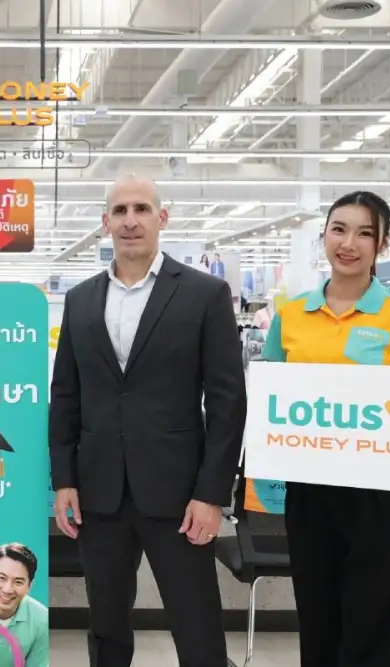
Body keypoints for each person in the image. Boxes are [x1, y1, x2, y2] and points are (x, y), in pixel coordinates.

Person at [49, 176, 246, 667]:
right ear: (105, 223)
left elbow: (228, 401)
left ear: (162, 218)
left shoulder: (204, 294)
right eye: (119, 211)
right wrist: (64, 480)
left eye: (141, 209)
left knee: (197, 626)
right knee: (106, 625)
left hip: (179, 494)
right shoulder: (81, 299)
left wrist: (212, 494)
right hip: (99, 493)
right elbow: (66, 396)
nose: (130, 220)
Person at [260, 191, 390, 667]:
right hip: (311, 491)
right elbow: (271, 396)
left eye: (365, 233)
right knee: (319, 617)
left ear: (382, 245)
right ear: (324, 236)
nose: (348, 243)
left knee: (378, 622)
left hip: (383, 495)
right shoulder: (291, 315)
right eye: (338, 229)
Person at [0, 544, 49, 667]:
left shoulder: (42, 619)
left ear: (30, 585)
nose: (7, 589)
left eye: (18, 582)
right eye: (2, 578)